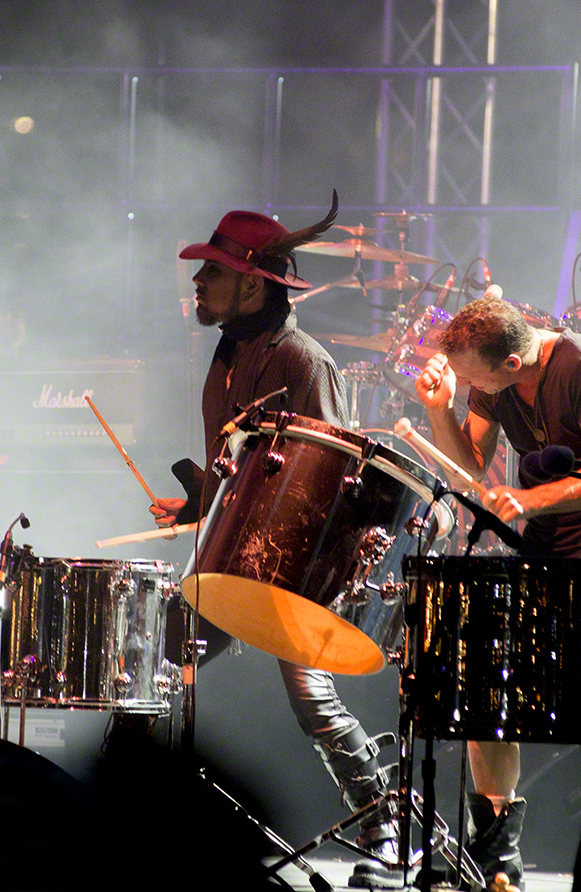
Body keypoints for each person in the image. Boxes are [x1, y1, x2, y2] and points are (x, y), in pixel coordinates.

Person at [150, 196, 399, 889]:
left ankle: (384, 835)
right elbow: (242, 468)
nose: (198, 283)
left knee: (312, 699)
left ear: (253, 286)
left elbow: (335, 480)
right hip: (232, 558)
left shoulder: (303, 361)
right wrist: (198, 502)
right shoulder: (227, 357)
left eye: (213, 273)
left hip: (294, 569)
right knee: (154, 664)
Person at [413, 296, 581, 889]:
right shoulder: (496, 379)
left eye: (473, 379)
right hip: (545, 542)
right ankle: (497, 861)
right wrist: (439, 410)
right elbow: (469, 467)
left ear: (511, 362)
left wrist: (529, 500)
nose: (469, 386)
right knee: (489, 690)